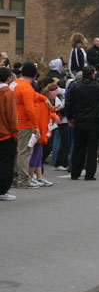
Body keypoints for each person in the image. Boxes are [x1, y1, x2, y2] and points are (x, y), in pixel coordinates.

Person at [62, 66, 99, 181]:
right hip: (94, 121)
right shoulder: (98, 86)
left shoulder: (75, 86)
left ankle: (75, 173)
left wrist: (70, 117)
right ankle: (89, 174)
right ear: (92, 75)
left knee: (78, 147)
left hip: (79, 120)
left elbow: (68, 102)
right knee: (92, 149)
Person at [13, 61, 51, 189]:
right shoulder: (27, 87)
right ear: (34, 75)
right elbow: (30, 109)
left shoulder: (15, 83)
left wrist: (42, 98)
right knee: (24, 152)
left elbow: (34, 95)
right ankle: (24, 180)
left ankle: (14, 177)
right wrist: (36, 127)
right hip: (24, 123)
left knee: (16, 152)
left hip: (13, 122)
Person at [0, 67, 19, 200]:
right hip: (6, 133)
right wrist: (15, 133)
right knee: (6, 164)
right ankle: (3, 190)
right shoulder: (8, 93)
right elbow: (12, 115)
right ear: (8, 78)